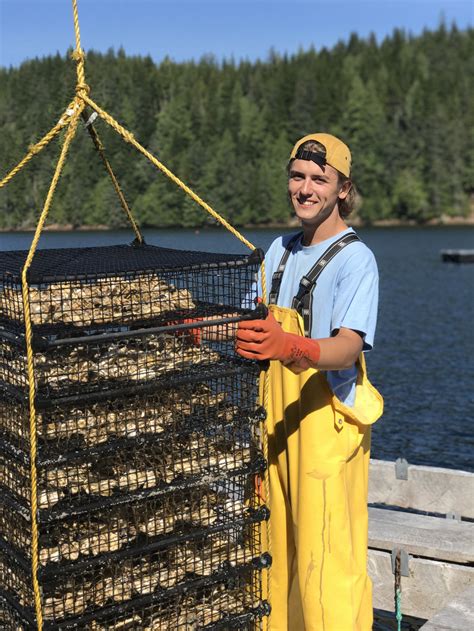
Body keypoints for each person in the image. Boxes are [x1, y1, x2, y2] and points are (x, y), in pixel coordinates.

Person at [235, 133, 384, 630]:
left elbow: (348, 346)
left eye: (320, 179)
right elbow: (257, 325)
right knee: (273, 553)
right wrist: (202, 330)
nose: (305, 188)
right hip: (274, 425)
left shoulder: (355, 259)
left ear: (343, 189)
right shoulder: (278, 249)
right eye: (297, 177)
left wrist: (291, 347)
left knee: (327, 567)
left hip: (326, 430)